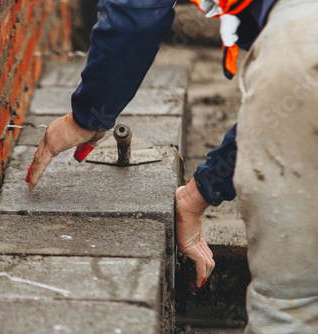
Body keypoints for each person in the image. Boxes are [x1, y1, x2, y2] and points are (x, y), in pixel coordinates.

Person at [26, 0, 318, 332]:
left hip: (301, 41)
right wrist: (198, 194)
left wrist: (88, 116)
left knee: (292, 308)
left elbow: (137, 16)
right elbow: (276, 118)